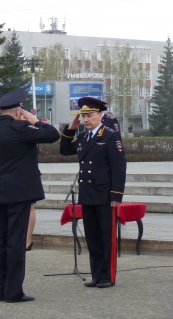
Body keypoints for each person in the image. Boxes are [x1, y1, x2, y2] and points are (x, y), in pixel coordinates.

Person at [0, 89, 60, 303]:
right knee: (15, 242)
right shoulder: (22, 128)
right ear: (18, 112)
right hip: (19, 193)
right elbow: (53, 135)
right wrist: (34, 120)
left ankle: (0, 289)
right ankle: (13, 291)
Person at [60, 97, 127, 288]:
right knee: (93, 237)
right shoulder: (82, 137)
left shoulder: (110, 136)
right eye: (83, 116)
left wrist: (116, 195)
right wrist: (71, 129)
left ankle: (107, 277)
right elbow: (64, 150)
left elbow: (119, 168)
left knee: (106, 237)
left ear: (100, 115)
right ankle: (96, 275)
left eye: (89, 115)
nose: (86, 120)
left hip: (105, 195)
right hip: (87, 195)